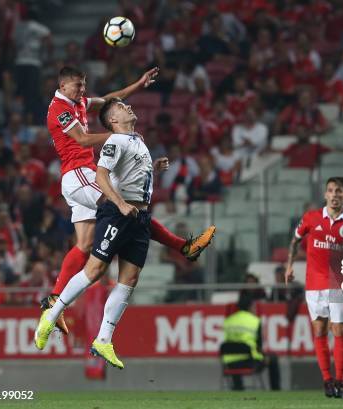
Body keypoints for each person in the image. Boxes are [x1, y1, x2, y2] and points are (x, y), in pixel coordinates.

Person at [43, 66, 216, 334]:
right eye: (78, 86)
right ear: (63, 85)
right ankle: (184, 247)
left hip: (80, 175)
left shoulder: (77, 102)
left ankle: (53, 302)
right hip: (78, 173)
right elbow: (82, 138)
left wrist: (138, 83)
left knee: (85, 243)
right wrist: (120, 136)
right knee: (122, 205)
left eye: (84, 85)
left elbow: (110, 99)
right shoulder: (60, 109)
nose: (83, 90)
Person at [35, 99, 180, 368]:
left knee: (130, 279)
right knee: (96, 270)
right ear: (112, 120)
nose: (128, 107)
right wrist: (121, 204)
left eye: (127, 105)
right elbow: (101, 176)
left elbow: (132, 176)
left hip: (139, 217)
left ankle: (103, 340)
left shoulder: (137, 140)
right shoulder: (116, 141)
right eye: (122, 107)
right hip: (117, 213)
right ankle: (52, 314)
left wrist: (153, 168)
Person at [285, 177, 343, 399]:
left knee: (339, 331)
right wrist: (289, 266)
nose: (334, 195)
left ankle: (340, 381)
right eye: (330, 191)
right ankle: (327, 381)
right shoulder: (311, 218)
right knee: (319, 331)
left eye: (339, 191)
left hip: (340, 285)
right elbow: (294, 241)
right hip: (314, 285)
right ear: (325, 195)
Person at [221, 294, 280, 391]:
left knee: (236, 354)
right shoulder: (255, 321)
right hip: (250, 362)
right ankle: (276, 390)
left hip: (229, 363)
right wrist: (263, 357)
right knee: (273, 358)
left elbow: (229, 342)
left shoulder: (228, 321)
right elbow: (259, 346)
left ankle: (238, 387)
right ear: (250, 306)